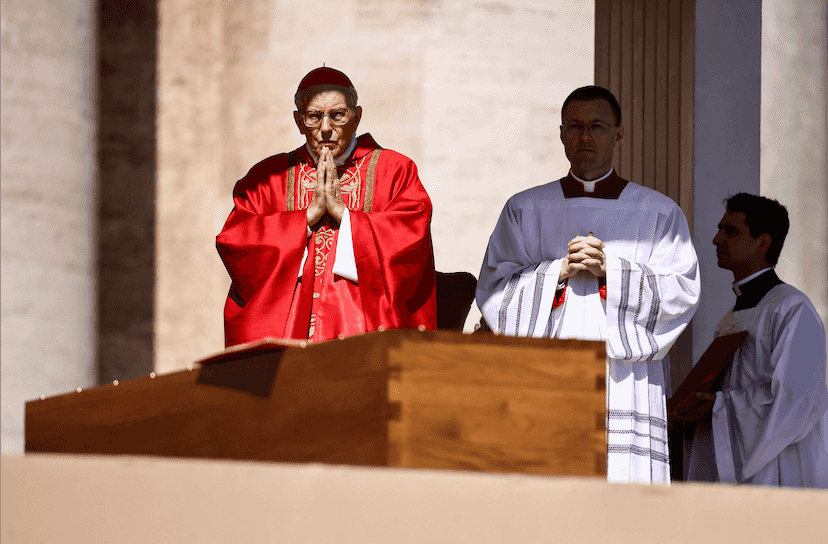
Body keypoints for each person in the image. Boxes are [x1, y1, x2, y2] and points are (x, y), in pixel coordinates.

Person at [476, 86, 700, 483]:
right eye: (575, 127)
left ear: (618, 134)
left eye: (597, 126)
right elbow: (494, 289)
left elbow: (681, 293)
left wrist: (611, 271)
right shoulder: (525, 208)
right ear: (561, 134)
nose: (585, 137)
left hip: (624, 378)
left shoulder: (658, 212)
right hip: (547, 372)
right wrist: (556, 272)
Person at [216, 67, 437, 346]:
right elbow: (236, 241)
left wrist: (344, 216)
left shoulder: (395, 171)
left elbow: (410, 240)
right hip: (287, 335)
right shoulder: (266, 179)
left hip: (362, 333)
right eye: (313, 116)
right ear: (298, 121)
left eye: (337, 115)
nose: (325, 128)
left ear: (356, 118)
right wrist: (306, 218)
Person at [685, 193, 827, 487]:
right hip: (732, 459)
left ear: (763, 242)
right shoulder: (731, 318)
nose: (716, 239)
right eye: (719, 229)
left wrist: (720, 404)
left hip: (779, 465)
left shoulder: (793, 309)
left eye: (730, 231)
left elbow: (796, 400)